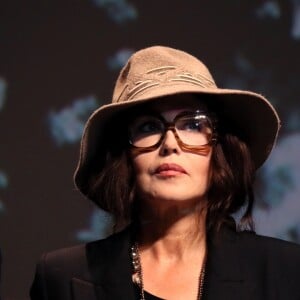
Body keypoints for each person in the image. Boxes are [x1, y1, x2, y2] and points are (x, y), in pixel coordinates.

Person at [30, 46, 300, 300]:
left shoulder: (285, 271)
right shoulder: (62, 277)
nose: (170, 144)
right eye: (149, 127)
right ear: (123, 156)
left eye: (193, 125)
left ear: (219, 151)